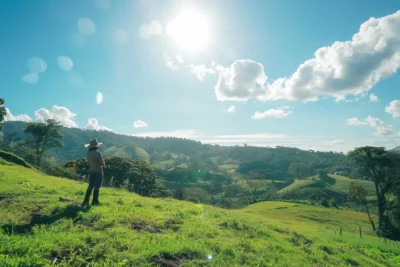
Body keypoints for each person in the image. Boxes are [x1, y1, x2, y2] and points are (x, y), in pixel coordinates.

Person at [82, 138, 105, 206]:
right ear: (97, 146)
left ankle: (86, 201)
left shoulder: (88, 153)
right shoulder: (98, 153)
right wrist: (103, 162)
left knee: (90, 186)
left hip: (91, 171)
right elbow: (101, 163)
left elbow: (89, 161)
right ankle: (95, 201)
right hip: (98, 171)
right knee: (97, 186)